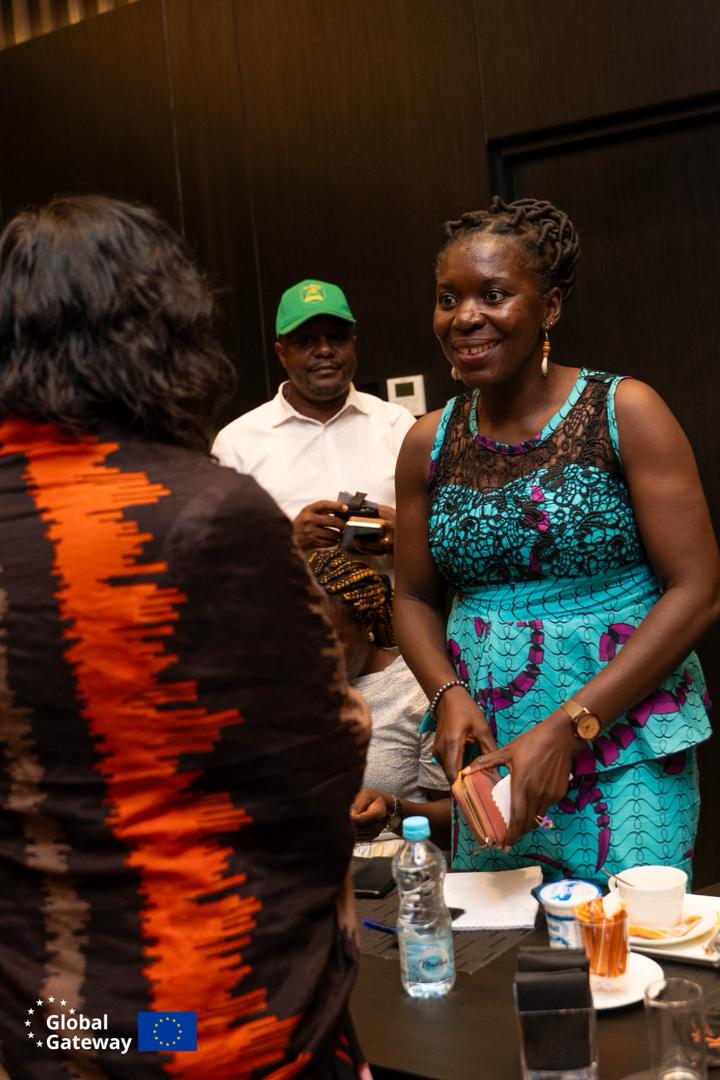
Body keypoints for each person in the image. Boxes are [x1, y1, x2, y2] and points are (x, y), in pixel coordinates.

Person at [0, 195, 371, 1078]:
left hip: (41, 1022)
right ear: (163, 331)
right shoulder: (199, 510)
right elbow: (321, 753)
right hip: (195, 1017)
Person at [394, 196, 720, 886]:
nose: (465, 317)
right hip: (492, 750)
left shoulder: (623, 410)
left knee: (626, 934)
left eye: (493, 295)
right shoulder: (428, 442)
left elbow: (697, 591)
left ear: (548, 307)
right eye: (448, 298)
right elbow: (415, 595)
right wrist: (447, 694)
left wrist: (569, 728)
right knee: (503, 938)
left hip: (623, 738)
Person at [212, 279, 416, 556]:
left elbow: (444, 533)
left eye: (337, 338)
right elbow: (216, 552)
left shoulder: (399, 426)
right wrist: (288, 539)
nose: (324, 350)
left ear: (353, 344)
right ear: (282, 353)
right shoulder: (236, 444)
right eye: (306, 341)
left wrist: (405, 534)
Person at [307, 549, 449, 855]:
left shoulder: (417, 691)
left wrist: (392, 810)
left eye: (330, 641)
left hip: (390, 864)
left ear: (366, 623)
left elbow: (457, 822)